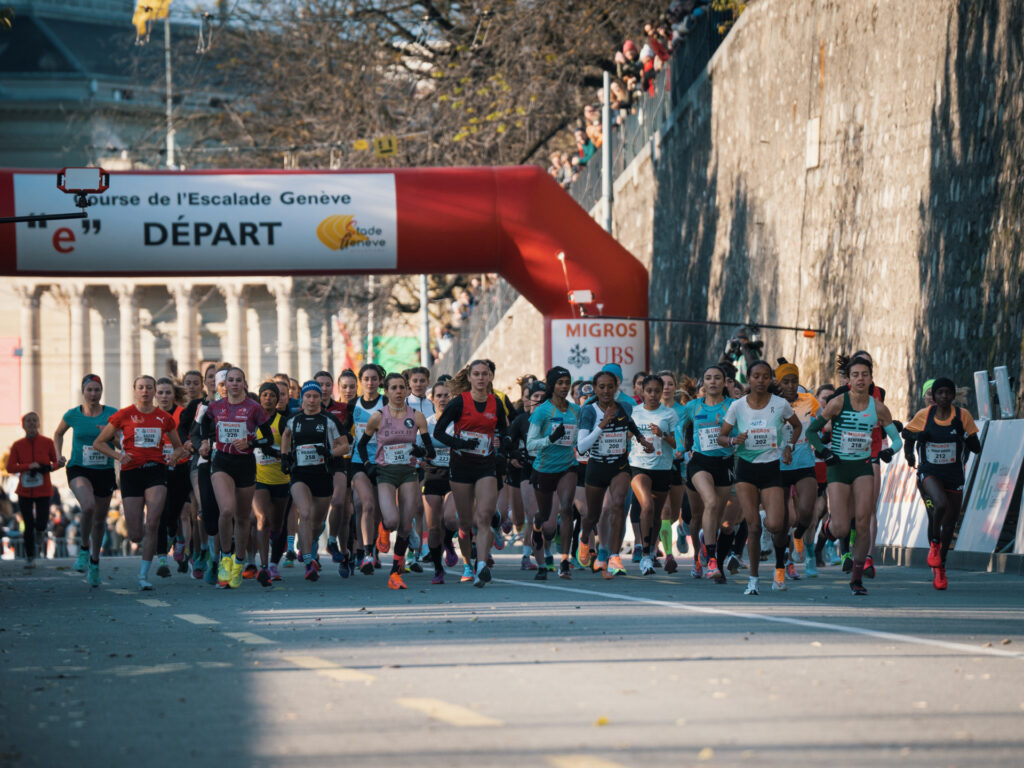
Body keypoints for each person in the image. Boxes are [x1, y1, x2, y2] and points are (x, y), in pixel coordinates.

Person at [806, 356, 902, 596]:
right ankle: (829, 528)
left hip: (863, 467)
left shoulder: (878, 407)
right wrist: (824, 452)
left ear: (871, 379)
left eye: (865, 375)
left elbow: (898, 439)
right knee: (840, 528)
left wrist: (889, 451)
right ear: (848, 379)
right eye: (856, 375)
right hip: (838, 467)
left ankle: (857, 579)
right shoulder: (837, 403)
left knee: (862, 522)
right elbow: (812, 431)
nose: (861, 379)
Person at [717, 361, 803, 595]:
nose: (761, 381)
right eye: (756, 376)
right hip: (746, 469)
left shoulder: (780, 404)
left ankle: (778, 569)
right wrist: (735, 440)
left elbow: (796, 427)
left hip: (771, 468)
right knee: (753, 526)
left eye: (766, 377)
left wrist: (788, 448)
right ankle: (753, 580)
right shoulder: (737, 406)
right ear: (749, 378)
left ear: (771, 379)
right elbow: (721, 437)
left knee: (776, 524)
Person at [92, 375, 184, 590]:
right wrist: (119, 456)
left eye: (149, 388)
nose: (145, 391)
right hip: (131, 474)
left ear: (153, 392)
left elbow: (179, 447)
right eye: (141, 387)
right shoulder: (123, 415)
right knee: (135, 534)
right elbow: (99, 443)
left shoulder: (164, 418)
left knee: (153, 522)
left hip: (156, 471)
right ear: (135, 390)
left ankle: (143, 575)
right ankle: (144, 541)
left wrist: (174, 456)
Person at [433, 360, 509, 587]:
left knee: (484, 517)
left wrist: (504, 446)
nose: (481, 378)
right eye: (476, 374)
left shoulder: (496, 402)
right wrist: (459, 442)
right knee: (465, 523)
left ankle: (482, 566)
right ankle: (468, 563)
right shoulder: (458, 403)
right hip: (461, 466)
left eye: (485, 374)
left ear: (490, 377)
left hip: (486, 466)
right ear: (469, 377)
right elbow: (438, 432)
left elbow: (504, 430)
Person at [197, 367, 274, 589]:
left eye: (238, 380)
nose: (234, 384)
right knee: (226, 511)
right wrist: (204, 442)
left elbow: (267, 439)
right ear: (225, 384)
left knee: (242, 518)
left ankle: (239, 563)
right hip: (221, 461)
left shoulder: (254, 408)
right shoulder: (215, 407)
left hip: (245, 464)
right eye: (230, 380)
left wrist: (251, 442)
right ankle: (225, 559)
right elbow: (203, 424)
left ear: (244, 383)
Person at [902, 377, 981, 590]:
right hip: (930, 472)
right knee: (940, 504)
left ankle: (940, 568)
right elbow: (907, 435)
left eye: (948, 393)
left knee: (950, 525)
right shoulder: (924, 416)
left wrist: (965, 434)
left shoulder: (962, 417)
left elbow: (976, 448)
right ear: (934, 397)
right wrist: (912, 452)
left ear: (953, 396)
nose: (944, 396)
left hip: (954, 474)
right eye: (940, 393)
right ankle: (934, 544)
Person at [359, 373, 435, 589]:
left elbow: (430, 451)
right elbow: (362, 445)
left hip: (409, 473)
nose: (399, 391)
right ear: (386, 391)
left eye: (402, 387)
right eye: (394, 388)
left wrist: (422, 451)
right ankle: (383, 529)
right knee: (391, 521)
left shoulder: (417, 416)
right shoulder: (378, 417)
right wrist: (367, 465)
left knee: (404, 525)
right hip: (386, 473)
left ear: (407, 390)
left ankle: (395, 572)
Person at [577, 370, 650, 578]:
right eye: (602, 387)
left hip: (619, 466)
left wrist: (642, 441)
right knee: (592, 514)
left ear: (616, 387)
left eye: (610, 386)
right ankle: (584, 540)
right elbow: (582, 447)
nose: (606, 391)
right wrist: (602, 424)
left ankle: (614, 557)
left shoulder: (625, 407)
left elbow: (631, 425)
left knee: (618, 504)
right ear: (595, 388)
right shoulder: (589, 411)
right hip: (597, 466)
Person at [53, 374, 117, 585]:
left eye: (97, 390)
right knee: (88, 507)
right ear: (83, 391)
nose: (93, 394)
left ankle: (95, 562)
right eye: (89, 390)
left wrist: (109, 435)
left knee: (99, 520)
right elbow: (58, 434)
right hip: (78, 467)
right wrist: (58, 455)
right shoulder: (73, 415)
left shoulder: (111, 414)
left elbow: (122, 442)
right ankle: (83, 549)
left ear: (101, 392)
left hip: (104, 470)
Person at [281, 381, 348, 583]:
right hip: (300, 474)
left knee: (317, 523)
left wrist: (329, 452)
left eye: (315, 396)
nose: (311, 400)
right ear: (302, 398)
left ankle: (310, 543)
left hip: (323, 474)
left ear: (320, 398)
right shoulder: (294, 419)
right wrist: (285, 456)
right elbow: (286, 435)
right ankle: (309, 562)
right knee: (306, 513)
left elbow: (345, 446)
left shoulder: (329, 420)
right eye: (307, 396)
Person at [679, 365, 735, 584]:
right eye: (708, 378)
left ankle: (707, 548)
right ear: (703, 383)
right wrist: (681, 448)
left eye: (717, 378)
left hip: (725, 463)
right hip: (699, 463)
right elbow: (678, 426)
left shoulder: (733, 406)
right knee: (704, 508)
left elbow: (741, 428)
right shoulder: (693, 406)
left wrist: (736, 439)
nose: (712, 382)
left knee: (716, 516)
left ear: (724, 382)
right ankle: (707, 559)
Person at [525, 367, 581, 579]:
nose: (565, 386)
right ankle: (537, 527)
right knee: (545, 514)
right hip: (544, 468)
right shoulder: (542, 411)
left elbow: (578, 438)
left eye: (567, 382)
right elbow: (530, 445)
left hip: (568, 465)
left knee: (566, 509)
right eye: (560, 383)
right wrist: (551, 439)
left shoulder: (576, 410)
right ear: (552, 385)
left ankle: (565, 561)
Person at [627, 375, 679, 576]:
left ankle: (651, 550)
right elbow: (627, 436)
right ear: (642, 391)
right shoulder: (634, 412)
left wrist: (662, 435)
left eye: (657, 391)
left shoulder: (669, 414)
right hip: (638, 466)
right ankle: (645, 556)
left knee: (656, 515)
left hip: (662, 467)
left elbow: (677, 444)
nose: (653, 395)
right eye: (649, 391)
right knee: (646, 505)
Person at [774, 360, 820, 578]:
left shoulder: (809, 400)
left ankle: (799, 535)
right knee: (782, 520)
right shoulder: (771, 403)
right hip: (778, 466)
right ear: (778, 383)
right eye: (786, 382)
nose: (791, 386)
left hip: (804, 462)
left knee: (807, 510)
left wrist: (822, 434)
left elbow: (822, 421)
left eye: (794, 381)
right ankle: (783, 565)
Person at [6, 412, 58, 567]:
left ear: (39, 424)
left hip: (44, 489)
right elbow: (9, 467)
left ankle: (41, 532)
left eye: (34, 420)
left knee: (41, 522)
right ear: (23, 425)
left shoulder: (47, 442)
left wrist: (47, 467)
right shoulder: (17, 445)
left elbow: (56, 462)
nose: (31, 423)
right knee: (28, 524)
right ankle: (30, 557)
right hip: (24, 490)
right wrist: (28, 466)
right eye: (28, 421)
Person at [349, 364, 386, 575]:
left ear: (380, 381)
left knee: (379, 511)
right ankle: (365, 553)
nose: (370, 383)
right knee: (366, 505)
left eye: (374, 379)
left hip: (382, 461)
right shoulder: (354, 404)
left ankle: (373, 544)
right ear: (360, 381)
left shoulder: (386, 402)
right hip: (359, 460)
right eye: (366, 379)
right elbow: (342, 429)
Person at [252, 382, 289, 585]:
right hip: (258, 478)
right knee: (262, 519)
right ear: (260, 398)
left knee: (277, 525)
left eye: (272, 395)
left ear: (278, 399)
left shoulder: (283, 422)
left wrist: (276, 453)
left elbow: (289, 450)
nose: (268, 398)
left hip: (281, 479)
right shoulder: (252, 421)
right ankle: (264, 567)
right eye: (264, 395)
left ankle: (274, 563)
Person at [154, 377, 191, 579]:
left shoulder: (181, 414)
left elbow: (187, 439)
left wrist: (178, 453)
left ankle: (175, 536)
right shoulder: (150, 415)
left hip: (180, 469)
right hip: (157, 469)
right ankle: (161, 558)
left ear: (173, 394)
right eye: (160, 393)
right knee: (159, 511)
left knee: (174, 513)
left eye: (167, 392)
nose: (164, 396)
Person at [422, 382, 458, 583]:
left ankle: (448, 540)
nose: (443, 399)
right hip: (433, 475)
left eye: (446, 396)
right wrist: (421, 457)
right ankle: (438, 568)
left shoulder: (457, 422)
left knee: (450, 519)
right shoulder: (426, 423)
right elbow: (416, 446)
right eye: (439, 396)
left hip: (453, 476)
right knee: (434, 526)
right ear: (432, 398)